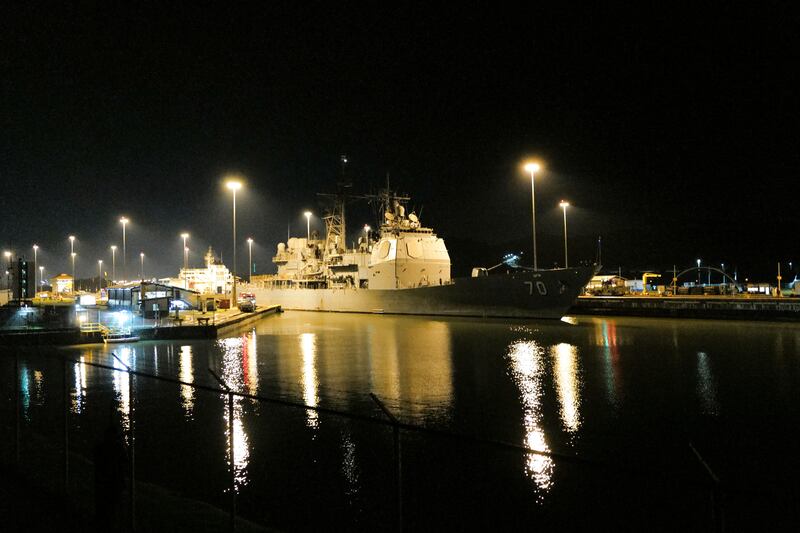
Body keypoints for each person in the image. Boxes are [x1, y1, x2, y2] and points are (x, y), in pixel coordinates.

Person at [93, 420, 128, 532]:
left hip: (104, 483)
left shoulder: (100, 447)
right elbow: (125, 461)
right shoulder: (117, 448)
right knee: (112, 508)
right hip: (113, 483)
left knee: (105, 508)